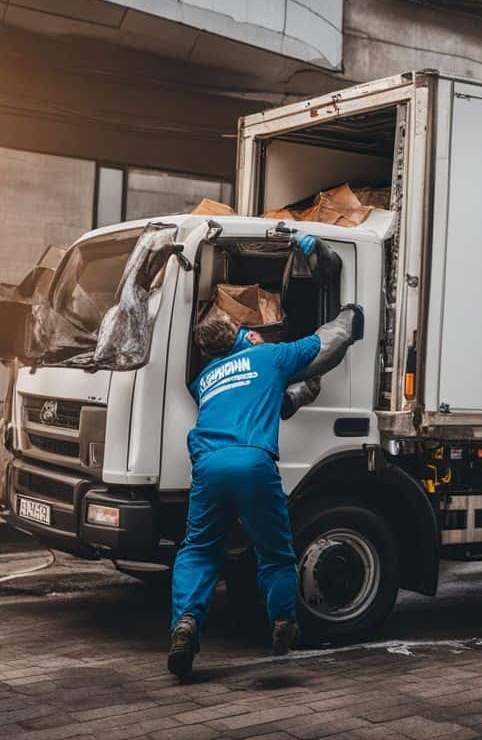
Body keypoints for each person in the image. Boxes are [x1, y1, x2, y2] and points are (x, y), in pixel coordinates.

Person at [167, 233, 362, 680]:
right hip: (253, 464)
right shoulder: (269, 357)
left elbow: (260, 404)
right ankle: (282, 621)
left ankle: (186, 623)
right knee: (274, 552)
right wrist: (353, 313)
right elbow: (326, 345)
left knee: (197, 551)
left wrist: (296, 396)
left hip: (209, 466)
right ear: (240, 336)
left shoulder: (205, 380)